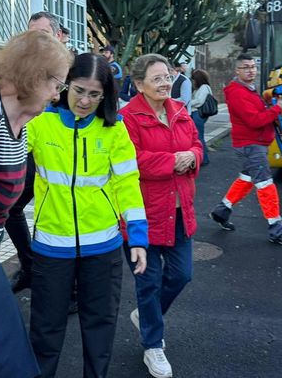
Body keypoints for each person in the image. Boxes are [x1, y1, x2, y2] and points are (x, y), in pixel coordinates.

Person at [0, 30, 72, 378]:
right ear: (35, 75)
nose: (58, 94)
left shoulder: (21, 119)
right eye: (57, 83)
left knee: (15, 361)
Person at [27, 53, 149, 378]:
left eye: (95, 94)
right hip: (51, 248)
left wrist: (137, 237)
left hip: (103, 248)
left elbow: (127, 183)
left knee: (100, 329)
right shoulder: (39, 122)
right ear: (66, 84)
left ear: (106, 94)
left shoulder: (114, 129)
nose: (85, 100)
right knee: (45, 331)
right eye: (79, 90)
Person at [120, 53, 202, 378]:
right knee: (148, 282)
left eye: (167, 76)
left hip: (180, 210)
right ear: (139, 84)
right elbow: (132, 161)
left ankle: (146, 315)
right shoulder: (127, 118)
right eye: (157, 79)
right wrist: (172, 162)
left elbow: (197, 145)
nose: (165, 83)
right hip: (143, 215)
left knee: (182, 274)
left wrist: (191, 157)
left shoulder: (180, 111)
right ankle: (153, 345)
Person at [208, 54, 282, 247]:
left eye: (252, 66)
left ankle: (222, 210)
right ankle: (277, 229)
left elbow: (257, 114)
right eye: (245, 67)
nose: (251, 70)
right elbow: (254, 121)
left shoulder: (246, 90)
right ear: (237, 70)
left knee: (247, 179)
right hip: (251, 145)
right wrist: (278, 109)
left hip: (253, 144)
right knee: (265, 183)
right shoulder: (237, 92)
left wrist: (269, 104)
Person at [7, 12, 62, 294]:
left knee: (61, 210)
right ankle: (30, 267)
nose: (36, 40)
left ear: (57, 35)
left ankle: (71, 285)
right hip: (26, 143)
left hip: (59, 149)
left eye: (42, 33)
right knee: (11, 207)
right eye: (31, 33)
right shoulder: (24, 68)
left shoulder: (69, 67)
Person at [188, 68, 214, 166]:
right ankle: (203, 157)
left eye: (194, 79)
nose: (193, 81)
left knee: (199, 137)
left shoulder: (204, 87)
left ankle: (204, 159)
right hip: (197, 114)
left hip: (198, 114)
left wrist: (187, 103)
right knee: (198, 136)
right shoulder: (200, 88)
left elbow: (199, 101)